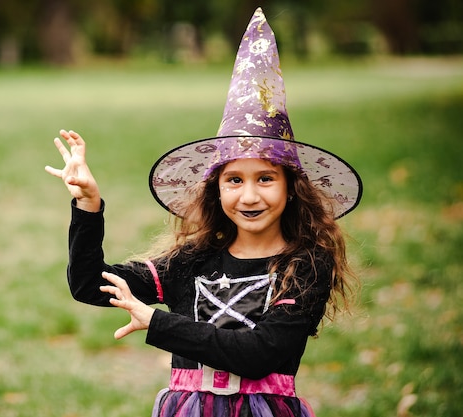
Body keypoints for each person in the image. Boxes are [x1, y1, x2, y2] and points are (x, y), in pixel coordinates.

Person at [45, 7, 362, 417]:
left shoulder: (305, 265)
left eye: (265, 179)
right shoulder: (192, 261)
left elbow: (258, 354)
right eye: (234, 180)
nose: (249, 196)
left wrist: (156, 323)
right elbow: (89, 284)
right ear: (215, 189)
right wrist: (87, 205)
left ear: (292, 187)